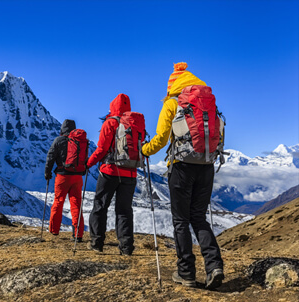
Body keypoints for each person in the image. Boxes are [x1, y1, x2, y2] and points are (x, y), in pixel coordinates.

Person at [142, 62, 224, 289]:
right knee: (198, 217)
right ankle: (214, 266)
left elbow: (160, 139)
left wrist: (144, 150)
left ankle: (186, 273)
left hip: (181, 168)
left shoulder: (172, 103)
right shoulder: (208, 103)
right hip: (206, 166)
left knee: (181, 221)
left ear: (172, 85)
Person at [86, 93, 137, 255]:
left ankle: (97, 242)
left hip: (109, 172)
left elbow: (101, 149)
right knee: (124, 210)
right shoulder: (134, 124)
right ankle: (126, 247)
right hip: (130, 173)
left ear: (113, 107)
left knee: (100, 207)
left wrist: (88, 163)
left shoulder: (110, 123)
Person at [45, 119, 84, 241]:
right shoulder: (79, 141)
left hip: (62, 177)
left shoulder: (59, 140)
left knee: (58, 202)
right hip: (77, 177)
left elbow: (50, 157)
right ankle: (78, 234)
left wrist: (48, 172)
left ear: (62, 129)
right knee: (76, 204)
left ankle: (54, 230)